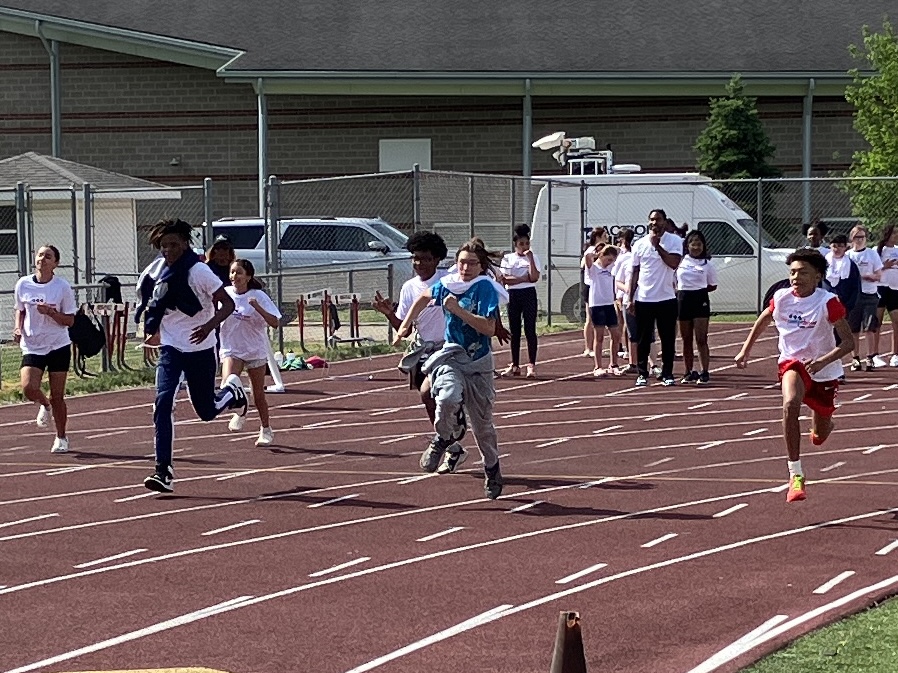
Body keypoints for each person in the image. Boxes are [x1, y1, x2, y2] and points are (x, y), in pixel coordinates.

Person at [136, 218, 248, 493]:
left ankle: (232, 393)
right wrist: (152, 332)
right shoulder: (155, 271)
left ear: (186, 244)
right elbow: (153, 304)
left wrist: (209, 326)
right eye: (164, 246)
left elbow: (228, 304)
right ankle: (163, 471)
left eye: (174, 245)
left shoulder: (199, 271)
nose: (168, 250)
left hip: (201, 348)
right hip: (171, 348)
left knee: (206, 411)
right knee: (163, 403)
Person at [735, 248, 853, 503]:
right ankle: (795, 474)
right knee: (790, 403)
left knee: (820, 436)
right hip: (792, 363)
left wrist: (823, 361)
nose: (796, 278)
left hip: (823, 370)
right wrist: (745, 350)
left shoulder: (828, 302)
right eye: (792, 272)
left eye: (803, 273)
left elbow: (848, 343)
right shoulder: (781, 298)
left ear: (817, 276)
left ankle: (823, 425)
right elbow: (763, 320)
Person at [394, 238, 508, 499]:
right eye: (462, 263)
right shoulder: (447, 284)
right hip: (452, 355)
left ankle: (492, 468)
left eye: (472, 263)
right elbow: (423, 298)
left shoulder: (485, 288)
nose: (466, 268)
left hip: (478, 361)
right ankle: (443, 437)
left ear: (481, 266)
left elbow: (488, 328)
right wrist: (405, 326)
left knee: (482, 426)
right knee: (445, 397)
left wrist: (458, 311)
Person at [373, 231, 463, 472]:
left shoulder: (448, 280)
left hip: (449, 349)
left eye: (425, 258)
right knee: (429, 401)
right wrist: (389, 314)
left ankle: (454, 425)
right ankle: (452, 447)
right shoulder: (409, 288)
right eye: (415, 258)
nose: (419, 263)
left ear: (437, 259)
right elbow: (404, 328)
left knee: (430, 394)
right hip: (424, 351)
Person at [13, 245, 77, 453]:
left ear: (55, 263)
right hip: (32, 344)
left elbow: (70, 320)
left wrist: (50, 312)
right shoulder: (23, 284)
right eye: (40, 255)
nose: (42, 259)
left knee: (57, 396)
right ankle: (44, 405)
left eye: (48, 256)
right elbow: (20, 310)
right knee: (28, 387)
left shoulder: (62, 287)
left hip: (58, 344)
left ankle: (61, 437)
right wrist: (17, 327)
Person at [220, 258, 282, 447]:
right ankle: (241, 411)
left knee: (258, 395)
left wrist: (257, 307)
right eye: (232, 272)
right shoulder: (224, 293)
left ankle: (266, 429)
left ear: (248, 277)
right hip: (232, 349)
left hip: (254, 350)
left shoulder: (258, 296)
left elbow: (275, 322)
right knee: (227, 386)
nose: (234, 276)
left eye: (239, 272)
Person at [628, 209, 683, 387]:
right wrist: (630, 298)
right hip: (644, 299)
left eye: (658, 219)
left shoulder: (674, 241)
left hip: (666, 298)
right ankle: (642, 373)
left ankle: (667, 373)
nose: (654, 223)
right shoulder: (639, 244)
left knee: (667, 339)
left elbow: (673, 263)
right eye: (652, 220)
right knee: (643, 339)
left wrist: (657, 246)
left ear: (665, 222)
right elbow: (635, 272)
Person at [499, 224, 541, 378]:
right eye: (521, 244)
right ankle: (515, 365)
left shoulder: (533, 257)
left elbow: (534, 277)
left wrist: (530, 260)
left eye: (527, 243)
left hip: (529, 294)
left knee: (530, 330)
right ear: (515, 244)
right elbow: (505, 279)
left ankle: (531, 365)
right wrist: (523, 278)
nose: (524, 247)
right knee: (515, 331)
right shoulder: (508, 259)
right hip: (513, 295)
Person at [677, 230, 718, 384]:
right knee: (686, 339)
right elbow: (673, 280)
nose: (696, 248)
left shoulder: (708, 264)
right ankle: (688, 371)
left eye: (699, 244)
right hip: (683, 299)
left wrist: (698, 289)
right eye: (693, 244)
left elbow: (713, 285)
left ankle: (704, 371)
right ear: (687, 246)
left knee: (701, 338)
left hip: (700, 299)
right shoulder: (680, 262)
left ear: (703, 246)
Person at [846, 225, 882, 372]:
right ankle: (855, 358)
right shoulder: (848, 255)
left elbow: (878, 275)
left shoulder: (871, 254)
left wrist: (868, 277)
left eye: (862, 237)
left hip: (869, 295)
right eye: (857, 237)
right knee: (853, 328)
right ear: (852, 238)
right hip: (854, 296)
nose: (860, 240)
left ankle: (870, 357)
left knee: (869, 328)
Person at [584, 244, 622, 376]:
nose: (610, 262)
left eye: (612, 260)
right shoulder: (593, 268)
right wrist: (596, 252)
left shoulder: (611, 267)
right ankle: (598, 367)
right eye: (608, 259)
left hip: (609, 304)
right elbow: (587, 256)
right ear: (601, 256)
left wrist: (609, 247)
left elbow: (619, 250)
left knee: (616, 335)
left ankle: (613, 364)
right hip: (597, 305)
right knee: (599, 336)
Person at [580, 227, 609, 357]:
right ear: (598, 237)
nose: (606, 237)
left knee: (598, 319)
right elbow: (583, 265)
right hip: (591, 286)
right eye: (604, 235)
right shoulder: (591, 250)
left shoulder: (602, 249)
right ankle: (588, 348)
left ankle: (595, 347)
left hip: (599, 286)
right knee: (590, 318)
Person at [873, 225, 898, 367]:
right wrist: (885, 266)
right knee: (877, 321)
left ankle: (895, 354)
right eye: (894, 233)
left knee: (896, 321)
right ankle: (874, 354)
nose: (896, 235)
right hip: (880, 288)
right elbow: (872, 270)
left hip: (895, 289)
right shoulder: (876, 251)